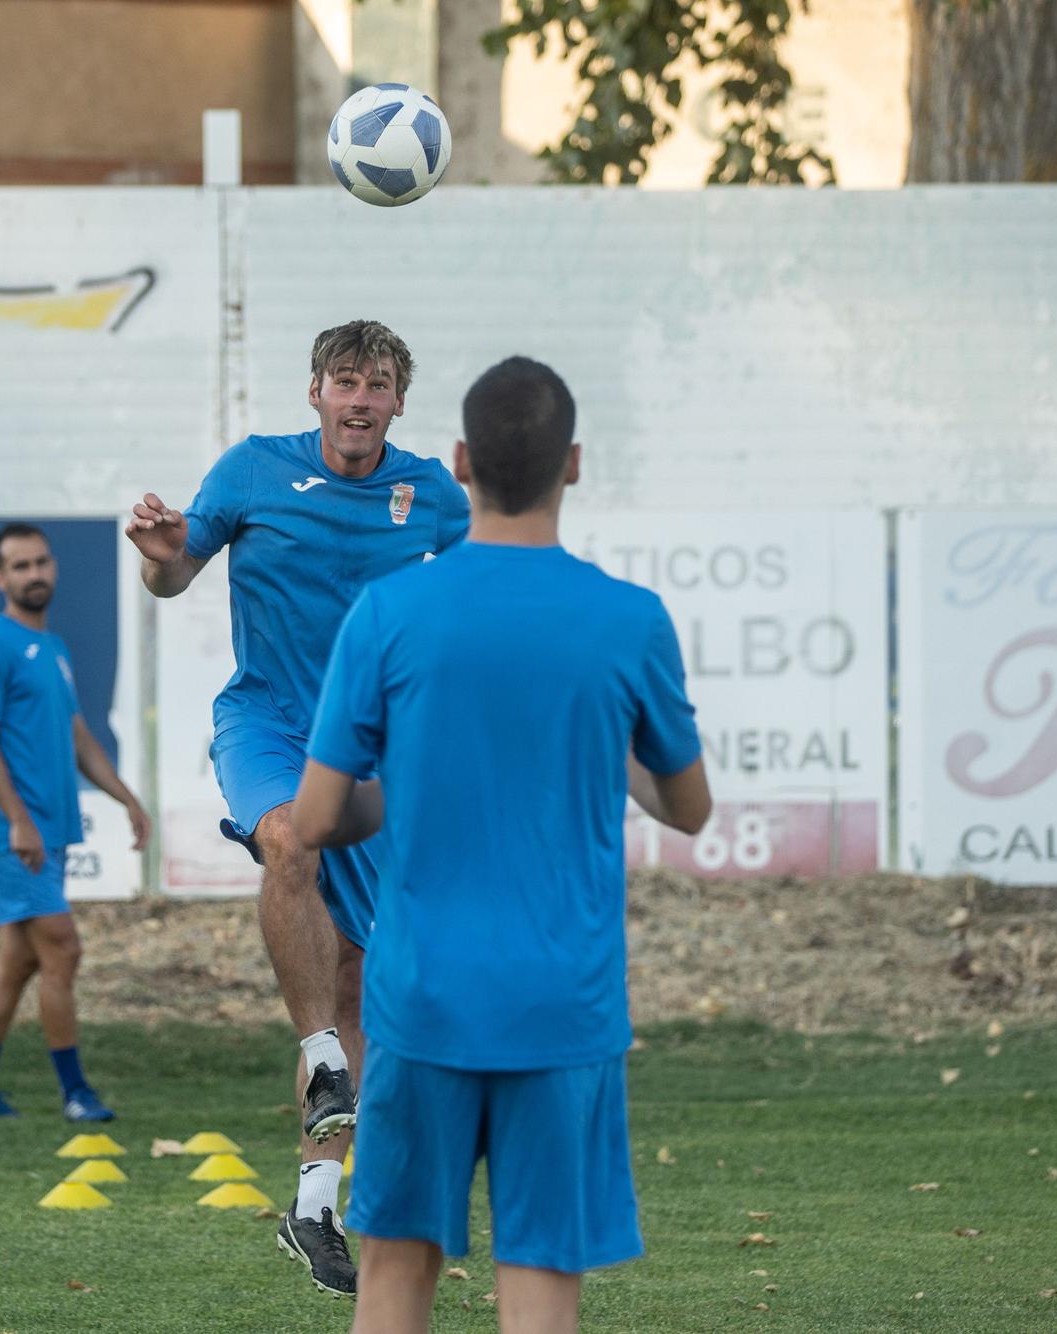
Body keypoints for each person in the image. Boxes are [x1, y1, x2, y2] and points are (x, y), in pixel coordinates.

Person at [290, 356, 713, 1334]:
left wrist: (397, 780)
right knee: (539, 1280)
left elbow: (316, 819)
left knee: (394, 1270)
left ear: (458, 461)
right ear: (572, 464)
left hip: (422, 996)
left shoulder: (390, 611)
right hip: (562, 1003)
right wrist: (606, 746)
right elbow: (685, 806)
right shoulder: (627, 618)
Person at [127, 321, 469, 1296]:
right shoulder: (251, 471)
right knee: (286, 839)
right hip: (269, 721)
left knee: (357, 978)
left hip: (375, 745)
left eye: (377, 384)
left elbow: (485, 581)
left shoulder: (429, 496)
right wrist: (159, 556)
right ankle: (317, 1049)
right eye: (344, 380)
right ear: (314, 391)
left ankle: (314, 1205)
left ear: (398, 402)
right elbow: (171, 571)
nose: (359, 399)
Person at [0, 523, 151, 1123]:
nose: (33, 574)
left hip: (48, 833)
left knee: (20, 960)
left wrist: (127, 799)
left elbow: (77, 736)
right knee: (63, 949)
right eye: (19, 566)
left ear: (53, 568)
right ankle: (75, 1092)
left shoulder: (53, 647)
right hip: (19, 838)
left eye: (41, 562)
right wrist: (19, 821)